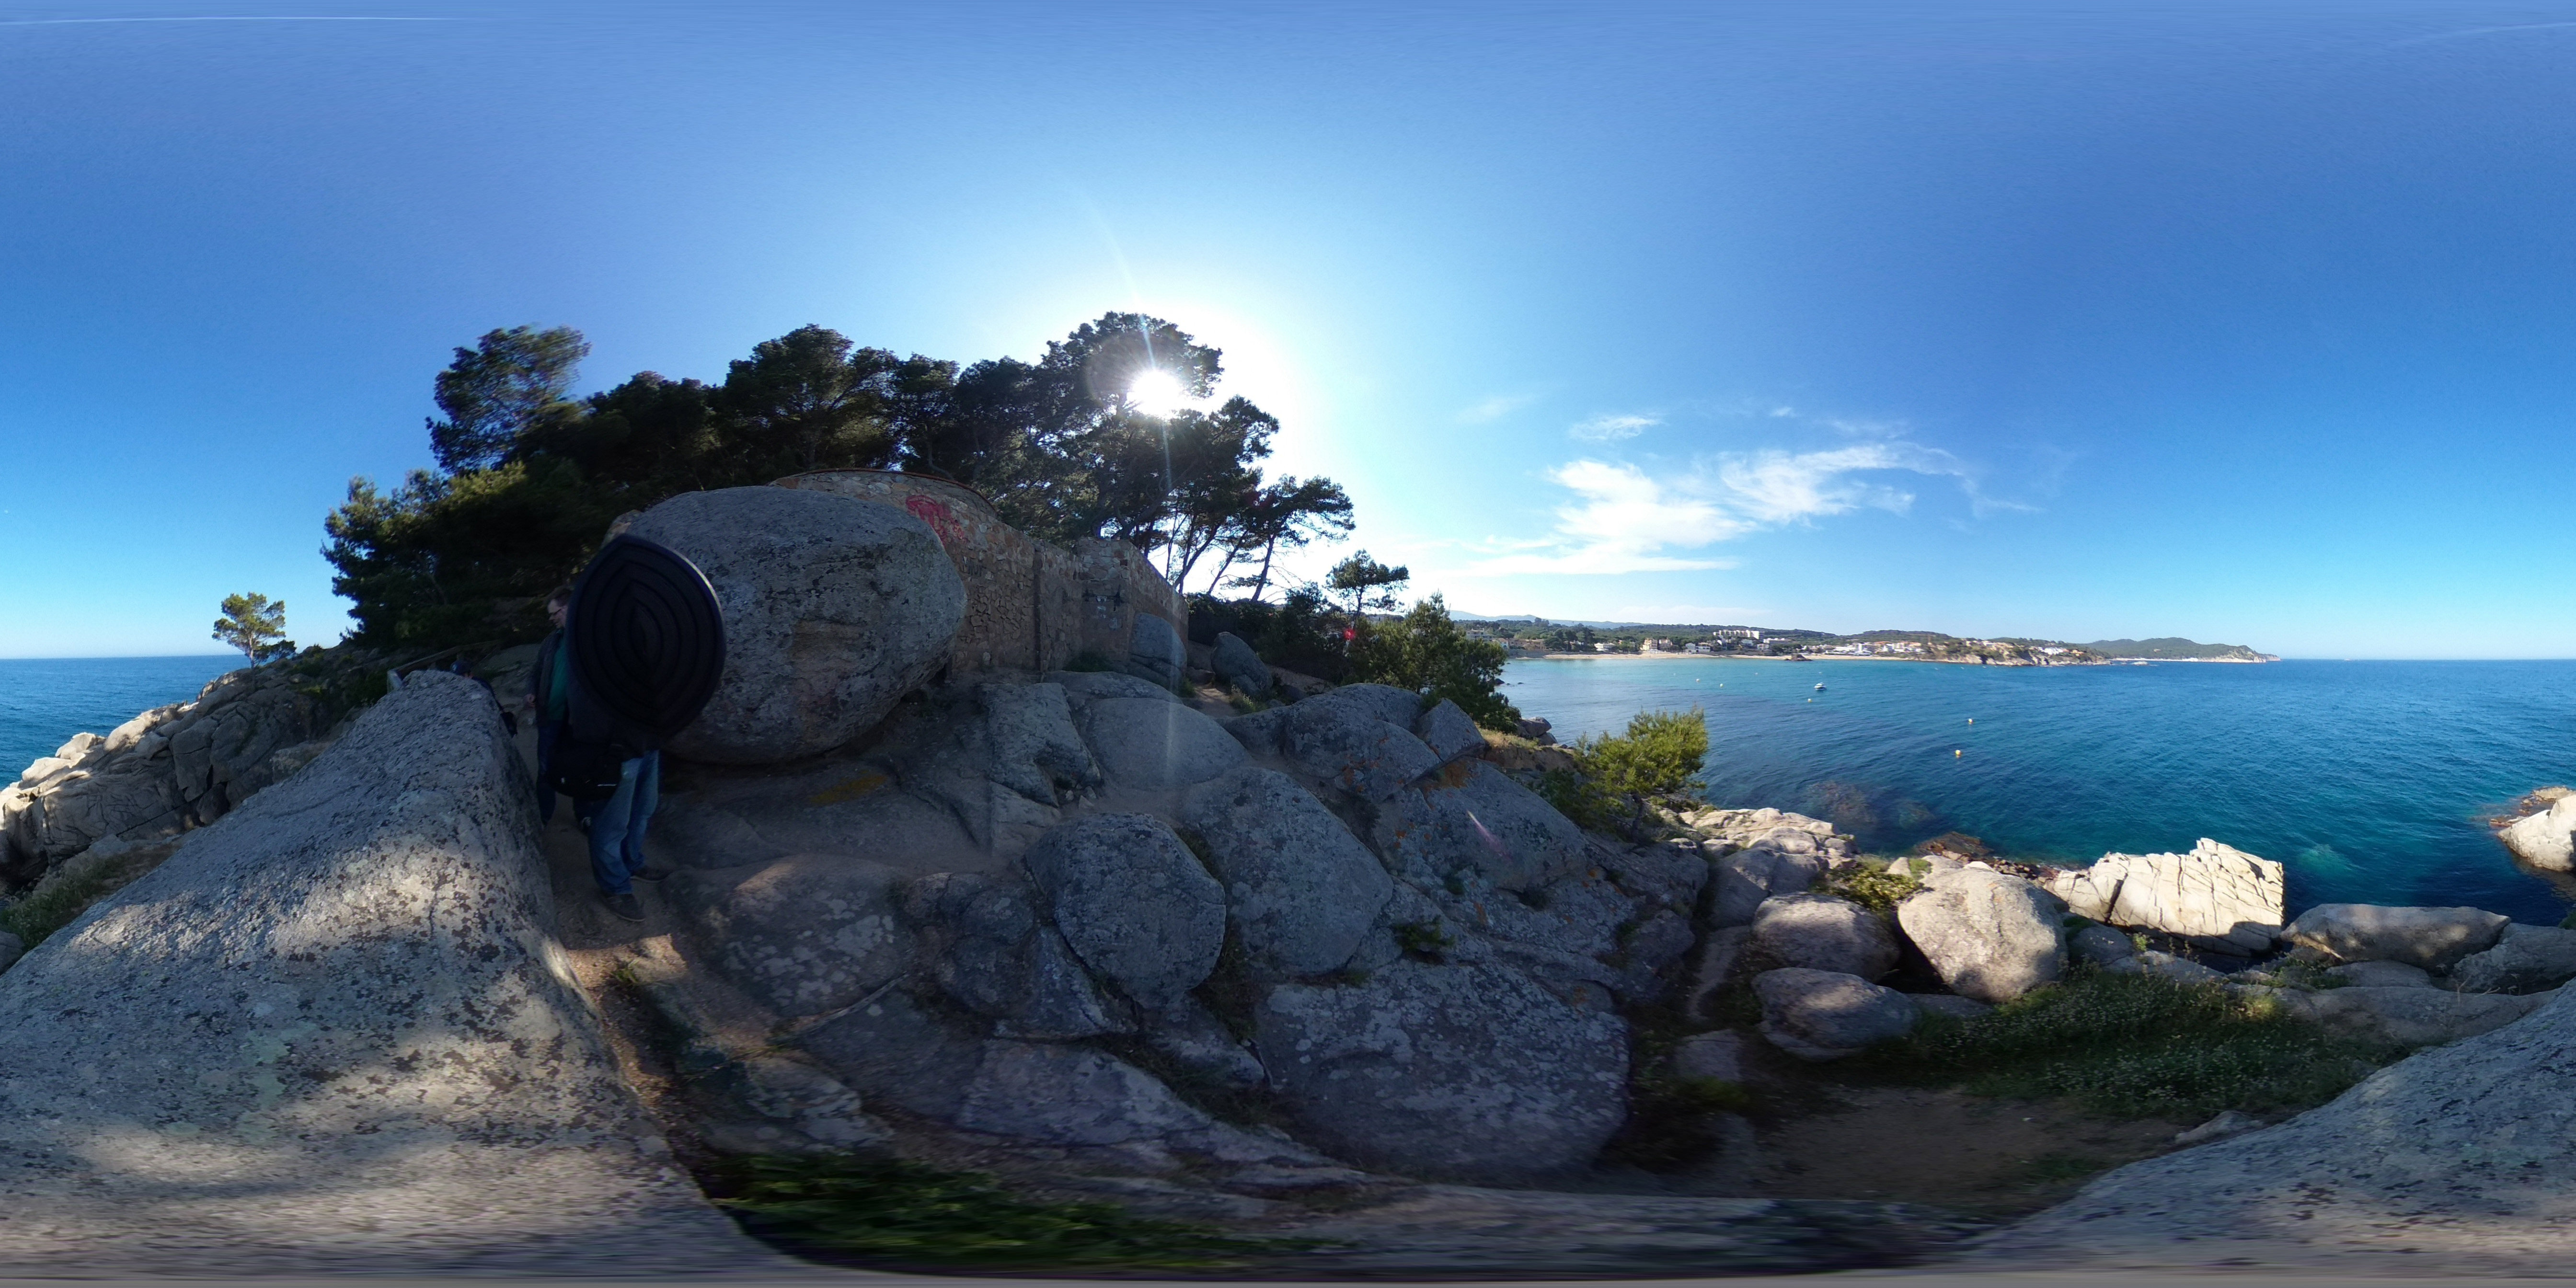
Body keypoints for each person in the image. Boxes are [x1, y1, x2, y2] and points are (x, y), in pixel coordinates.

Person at [525, 581, 669, 923]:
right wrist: (606, 744)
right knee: (611, 821)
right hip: (618, 748)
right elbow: (582, 701)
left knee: (642, 811)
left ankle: (632, 863)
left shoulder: (626, 634)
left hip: (648, 742)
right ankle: (615, 886)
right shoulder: (583, 645)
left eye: (557, 612)